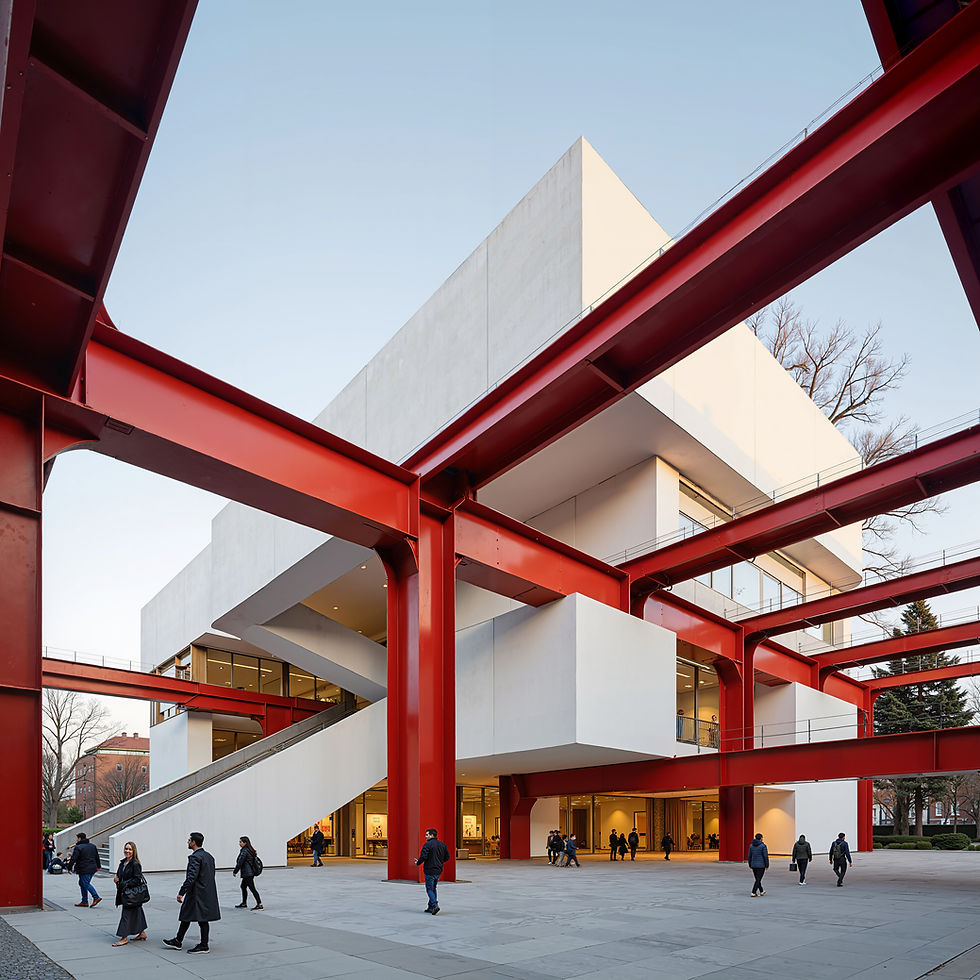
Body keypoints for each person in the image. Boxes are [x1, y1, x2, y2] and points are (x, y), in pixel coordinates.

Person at [162, 832, 220, 954]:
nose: (188, 842)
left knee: (200, 919)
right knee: (188, 915)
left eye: (189, 840)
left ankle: (204, 945)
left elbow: (191, 877)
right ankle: (178, 940)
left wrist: (181, 892)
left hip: (197, 893)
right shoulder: (209, 856)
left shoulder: (195, 857)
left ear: (193, 842)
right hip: (206, 892)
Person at [111, 841, 148, 946]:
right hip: (126, 892)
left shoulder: (135, 864)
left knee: (126, 914)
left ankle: (124, 937)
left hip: (131, 893)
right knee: (137, 911)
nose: (127, 851)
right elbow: (120, 875)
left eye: (130, 849)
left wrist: (123, 883)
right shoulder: (123, 862)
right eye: (126, 849)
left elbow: (137, 879)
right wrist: (117, 879)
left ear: (133, 851)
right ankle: (142, 933)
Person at [415, 828, 450, 914]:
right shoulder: (443, 845)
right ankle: (430, 907)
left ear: (431, 835)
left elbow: (423, 856)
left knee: (429, 889)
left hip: (429, 870)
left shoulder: (427, 845)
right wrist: (440, 862)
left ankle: (435, 905)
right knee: (433, 888)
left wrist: (417, 862)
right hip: (438, 870)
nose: (425, 836)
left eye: (427, 835)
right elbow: (447, 857)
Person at [67, 832, 102, 908]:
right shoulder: (93, 846)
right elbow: (97, 857)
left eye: (77, 838)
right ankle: (84, 901)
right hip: (92, 867)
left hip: (84, 868)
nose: (76, 840)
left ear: (79, 838)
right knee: (82, 883)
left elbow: (73, 858)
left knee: (85, 883)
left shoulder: (78, 847)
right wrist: (99, 866)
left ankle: (96, 897)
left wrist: (69, 868)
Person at [233, 835, 263, 909]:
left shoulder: (245, 851)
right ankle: (244, 903)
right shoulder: (249, 850)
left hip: (248, 873)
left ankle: (259, 904)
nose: (239, 843)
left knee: (252, 888)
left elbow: (240, 862)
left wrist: (235, 871)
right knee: (243, 886)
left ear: (245, 843)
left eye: (241, 842)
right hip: (249, 873)